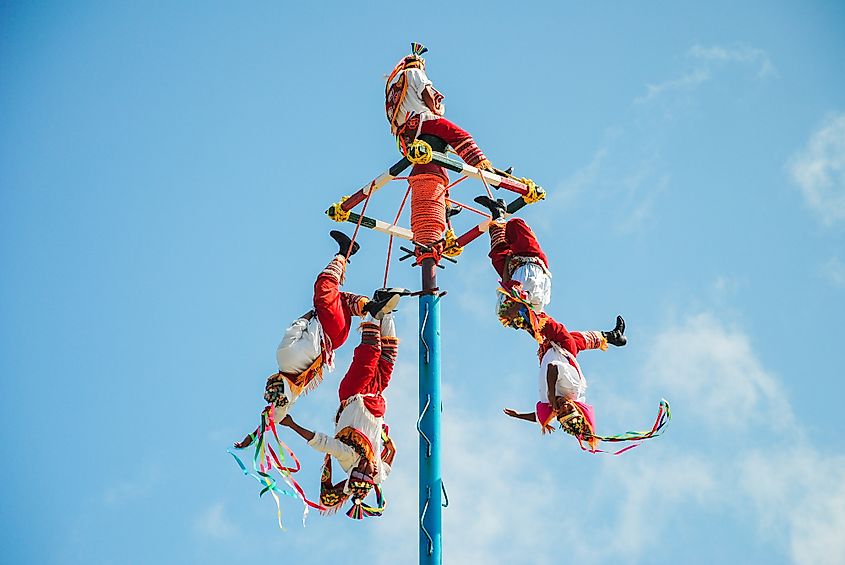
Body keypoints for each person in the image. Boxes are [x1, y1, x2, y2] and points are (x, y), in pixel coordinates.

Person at [234, 231, 403, 449]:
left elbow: (267, 422)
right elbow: (296, 326)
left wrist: (248, 441)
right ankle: (345, 254)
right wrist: (313, 313)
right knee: (324, 288)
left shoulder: (294, 391)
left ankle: (373, 307)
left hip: (335, 337)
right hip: (328, 329)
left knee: (339, 300)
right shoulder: (285, 360)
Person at [281, 309, 400, 519]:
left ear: (355, 471)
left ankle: (376, 312)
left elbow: (321, 442)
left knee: (368, 356)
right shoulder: (379, 474)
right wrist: (384, 437)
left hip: (353, 394)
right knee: (386, 360)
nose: (369, 465)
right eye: (370, 471)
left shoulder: (348, 458)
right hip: (374, 400)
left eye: (363, 468)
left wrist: (291, 424)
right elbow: (392, 451)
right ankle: (388, 313)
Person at [502, 315, 627, 450]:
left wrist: (518, 415)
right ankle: (526, 313)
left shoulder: (552, 408)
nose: (564, 407)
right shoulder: (573, 388)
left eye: (561, 413)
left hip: (547, 350)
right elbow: (553, 367)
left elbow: (538, 417)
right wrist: (550, 395)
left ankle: (613, 336)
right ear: (577, 407)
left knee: (577, 339)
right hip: (563, 347)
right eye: (570, 409)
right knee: (553, 328)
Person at [385, 43, 496, 179]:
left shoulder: (393, 86)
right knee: (460, 136)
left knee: (435, 161)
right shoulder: (415, 72)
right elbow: (425, 91)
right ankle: (485, 169)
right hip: (423, 121)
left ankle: (445, 197)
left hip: (407, 134)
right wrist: (435, 109)